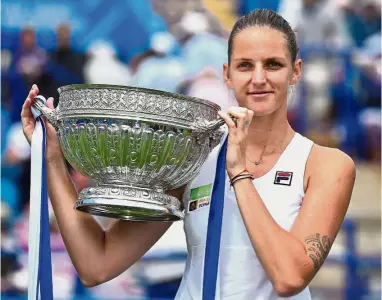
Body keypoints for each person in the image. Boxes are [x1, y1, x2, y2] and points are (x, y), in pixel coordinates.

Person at [21, 9, 356, 299]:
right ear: (227, 74)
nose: (258, 78)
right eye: (244, 65)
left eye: (273, 64)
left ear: (295, 71)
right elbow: (96, 263)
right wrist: (52, 158)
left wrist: (239, 174)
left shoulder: (327, 165)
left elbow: (289, 278)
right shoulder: (195, 156)